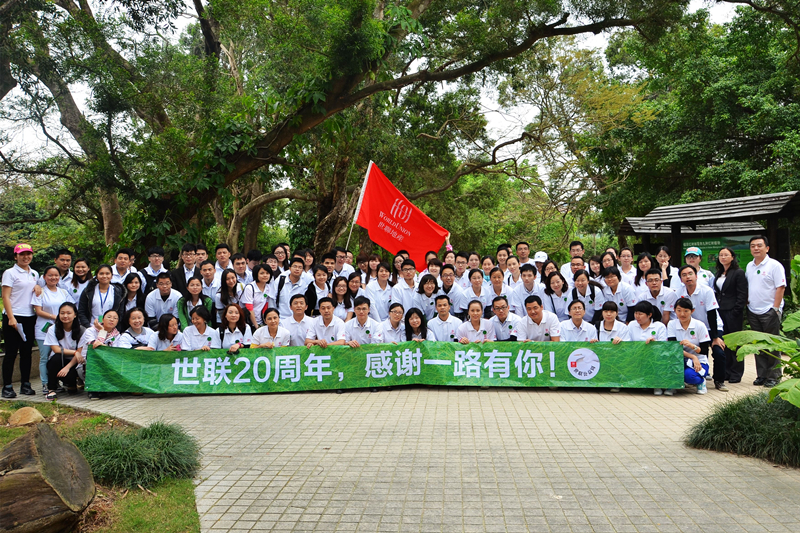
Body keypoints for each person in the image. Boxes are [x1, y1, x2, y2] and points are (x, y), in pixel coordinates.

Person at [676, 265, 727, 391]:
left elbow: (712, 314)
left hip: (711, 326)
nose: (688, 277)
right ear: (681, 279)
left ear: (696, 276)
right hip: (693, 327)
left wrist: (715, 337)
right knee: (698, 351)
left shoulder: (707, 291)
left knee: (718, 351)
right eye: (684, 275)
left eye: (690, 274)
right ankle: (699, 374)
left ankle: (719, 381)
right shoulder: (679, 293)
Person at [745, 235, 786, 388]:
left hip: (769, 311)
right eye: (753, 246)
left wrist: (775, 308)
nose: (756, 248)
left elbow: (780, 287)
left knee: (772, 345)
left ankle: (774, 377)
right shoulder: (749, 266)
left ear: (767, 248)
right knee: (758, 345)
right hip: (753, 310)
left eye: (759, 245)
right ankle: (762, 375)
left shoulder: (775, 265)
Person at [2, 243, 40, 398]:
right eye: (22, 254)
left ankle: (25, 384)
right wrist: (11, 317)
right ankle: (7, 386)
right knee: (11, 353)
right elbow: (5, 296)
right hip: (13, 316)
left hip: (29, 316)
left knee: (26, 352)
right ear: (15, 256)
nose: (26, 257)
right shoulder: (10, 273)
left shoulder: (34, 273)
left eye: (28, 254)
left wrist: (38, 288)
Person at [32, 266, 70, 396]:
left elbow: (70, 308)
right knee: (44, 357)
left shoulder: (63, 292)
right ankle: (45, 383)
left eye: (56, 275)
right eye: (50, 275)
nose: (53, 278)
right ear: (44, 277)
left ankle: (55, 383)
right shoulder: (40, 292)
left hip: (60, 330)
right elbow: (38, 311)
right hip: (43, 330)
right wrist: (56, 317)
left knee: (56, 357)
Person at [714, 246, 748, 383]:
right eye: (721, 255)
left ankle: (736, 373)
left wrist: (736, 311)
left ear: (732, 257)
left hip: (733, 312)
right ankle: (726, 371)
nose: (723, 257)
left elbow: (742, 294)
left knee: (735, 343)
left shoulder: (738, 273)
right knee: (725, 342)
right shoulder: (719, 273)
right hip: (720, 311)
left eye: (726, 255)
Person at [668, 298, 713, 395]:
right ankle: (674, 384)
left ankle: (701, 381)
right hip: (679, 359)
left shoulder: (700, 325)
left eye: (686, 311)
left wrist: (693, 346)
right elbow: (674, 348)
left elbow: (705, 350)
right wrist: (692, 356)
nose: (682, 314)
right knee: (666, 369)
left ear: (692, 311)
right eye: (679, 310)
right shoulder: (671, 324)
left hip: (699, 361)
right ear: (674, 310)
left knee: (689, 376)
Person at [76, 309, 122, 399]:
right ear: (102, 319)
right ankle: (93, 390)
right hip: (87, 366)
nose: (112, 320)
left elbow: (115, 352)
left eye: (115, 318)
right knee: (96, 355)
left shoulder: (117, 335)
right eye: (109, 317)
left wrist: (104, 347)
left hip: (107, 364)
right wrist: (102, 331)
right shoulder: (90, 331)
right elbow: (95, 346)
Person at [44, 302, 85, 399]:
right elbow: (56, 349)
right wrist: (74, 352)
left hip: (75, 361)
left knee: (73, 372)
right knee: (56, 358)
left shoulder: (82, 330)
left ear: (75, 315)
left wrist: (67, 367)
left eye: (68, 313)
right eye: (62, 313)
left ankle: (71, 384)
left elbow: (80, 352)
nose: (65, 316)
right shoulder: (52, 329)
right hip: (59, 360)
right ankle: (51, 389)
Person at [77, 264, 125, 330]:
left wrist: (111, 327)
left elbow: (120, 313)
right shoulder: (88, 291)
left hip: (110, 329)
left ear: (111, 276)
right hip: (91, 327)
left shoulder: (118, 292)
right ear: (96, 276)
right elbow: (81, 311)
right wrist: (88, 326)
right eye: (101, 273)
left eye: (107, 273)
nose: (104, 276)